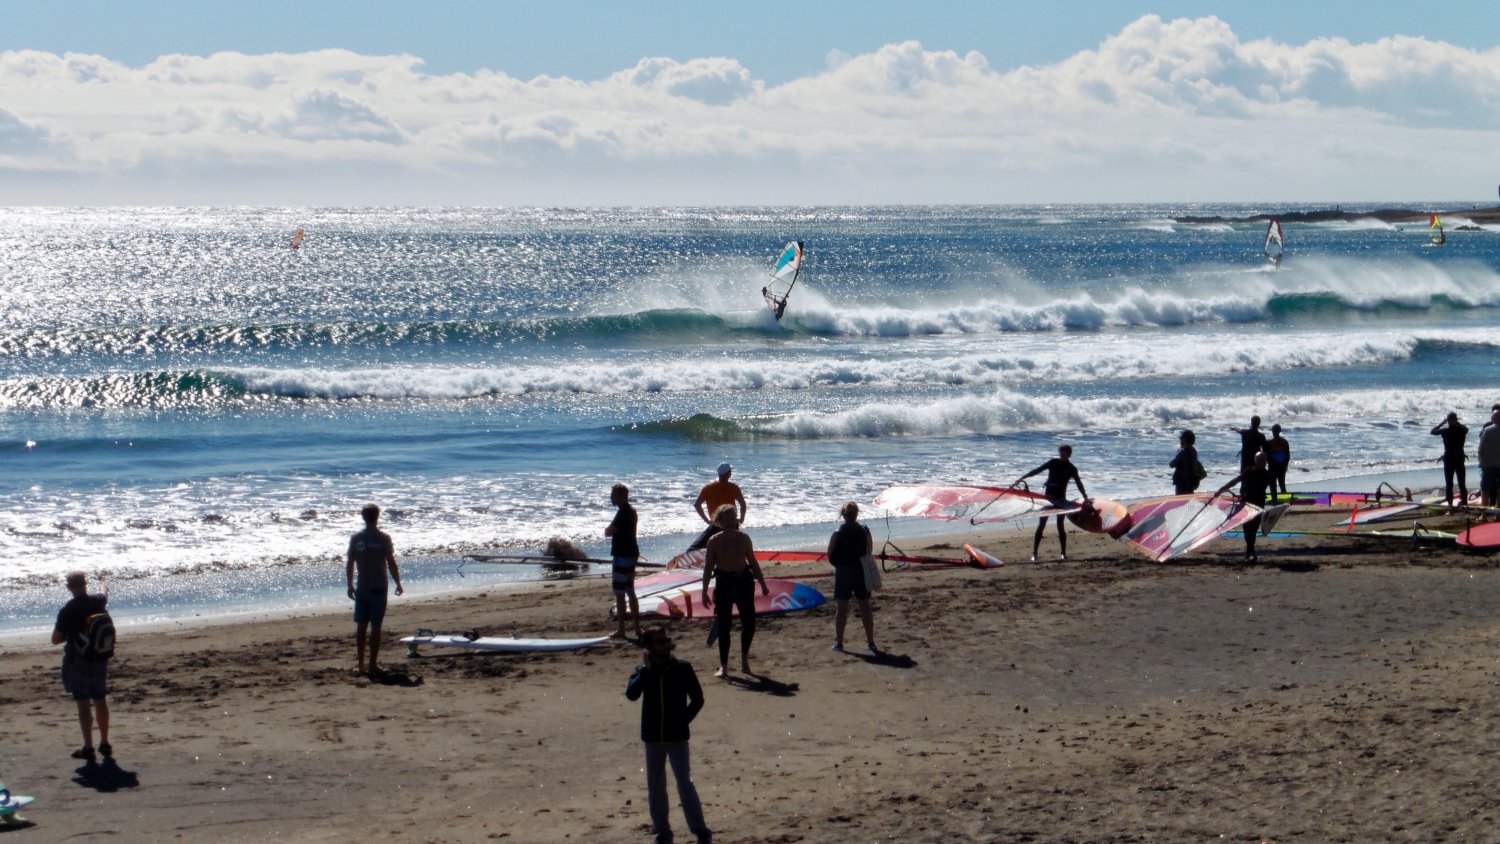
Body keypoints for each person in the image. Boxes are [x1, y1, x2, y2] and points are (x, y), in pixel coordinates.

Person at [625, 627, 711, 844]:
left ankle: (700, 830)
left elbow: (698, 699)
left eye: (666, 640)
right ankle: (662, 832)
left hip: (677, 739)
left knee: (684, 783)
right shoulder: (642, 672)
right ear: (649, 648)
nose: (665, 644)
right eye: (660, 642)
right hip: (652, 739)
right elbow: (632, 694)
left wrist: (683, 721)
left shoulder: (682, 667)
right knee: (655, 786)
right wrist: (646, 670)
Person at [700, 505, 768, 678]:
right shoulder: (713, 541)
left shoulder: (744, 538)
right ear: (719, 521)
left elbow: (753, 562)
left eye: (732, 518)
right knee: (724, 626)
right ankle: (724, 666)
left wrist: (763, 583)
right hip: (723, 582)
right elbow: (708, 568)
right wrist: (704, 591)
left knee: (749, 624)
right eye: (726, 519)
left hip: (743, 581)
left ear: (737, 519)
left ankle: (744, 660)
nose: (730, 522)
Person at [51, 571, 111, 761]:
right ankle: (105, 741)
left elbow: (55, 639)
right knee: (100, 699)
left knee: (83, 702)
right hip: (100, 656)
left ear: (69, 587)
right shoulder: (98, 601)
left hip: (78, 659)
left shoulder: (68, 609)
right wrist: (103, 584)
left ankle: (88, 746)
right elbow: (104, 593)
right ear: (86, 584)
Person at [346, 503, 403, 676]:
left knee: (361, 627)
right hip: (379, 586)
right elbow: (391, 562)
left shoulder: (356, 538)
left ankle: (362, 664)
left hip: (363, 586)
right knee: (376, 628)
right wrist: (398, 583)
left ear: (363, 517)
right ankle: (372, 664)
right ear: (378, 516)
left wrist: (350, 584)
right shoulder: (384, 538)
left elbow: (350, 563)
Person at [1016, 445, 1087, 562]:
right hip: (1047, 498)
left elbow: (1079, 483)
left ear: (1069, 454)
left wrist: (1085, 497)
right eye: (1060, 453)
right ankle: (1035, 553)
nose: (1061, 456)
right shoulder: (1053, 462)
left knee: (1060, 526)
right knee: (1041, 525)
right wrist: (1023, 477)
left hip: (1061, 499)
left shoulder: (1071, 468)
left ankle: (1063, 553)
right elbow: (1037, 470)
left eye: (1064, 454)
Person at [827, 501, 877, 654]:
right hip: (860, 569)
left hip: (843, 571)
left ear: (843, 515)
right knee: (865, 607)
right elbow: (869, 550)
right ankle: (871, 642)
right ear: (857, 514)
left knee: (842, 608)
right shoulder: (864, 530)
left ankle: (839, 643)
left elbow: (830, 554)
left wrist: (839, 565)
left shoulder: (837, 533)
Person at [1217, 452, 1272, 563]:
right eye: (1259, 460)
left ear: (1266, 461)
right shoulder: (1249, 471)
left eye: (1263, 460)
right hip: (1246, 502)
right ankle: (1249, 552)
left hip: (1259, 503)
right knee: (1247, 528)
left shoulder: (1267, 474)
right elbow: (1235, 481)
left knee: (1254, 528)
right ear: (1255, 460)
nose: (1261, 462)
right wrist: (1221, 489)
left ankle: (1250, 551)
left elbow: (1273, 488)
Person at [605, 483, 642, 640]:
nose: (611, 498)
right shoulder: (631, 511)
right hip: (631, 554)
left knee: (620, 593)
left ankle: (621, 629)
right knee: (630, 591)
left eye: (613, 495)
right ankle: (637, 628)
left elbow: (609, 531)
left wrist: (609, 530)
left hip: (622, 555)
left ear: (620, 496)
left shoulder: (623, 513)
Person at [686, 463, 746, 552]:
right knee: (737, 547)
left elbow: (697, 505)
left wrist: (707, 520)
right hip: (731, 523)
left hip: (716, 523)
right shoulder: (733, 487)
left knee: (694, 548)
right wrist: (741, 519)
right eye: (730, 472)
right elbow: (743, 504)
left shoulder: (708, 488)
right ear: (728, 474)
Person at [1431, 412, 1470, 509]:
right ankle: (1464, 503)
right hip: (1459, 457)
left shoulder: (1445, 431)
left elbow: (1433, 431)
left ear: (1448, 421)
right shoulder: (1462, 430)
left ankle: (1450, 506)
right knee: (1461, 482)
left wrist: (1442, 422)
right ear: (1456, 420)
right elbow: (1466, 428)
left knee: (1449, 483)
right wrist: (1457, 422)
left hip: (1449, 458)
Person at [1168, 429, 1202, 495]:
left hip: (1182, 482)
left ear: (1184, 440)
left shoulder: (1183, 451)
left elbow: (1171, 464)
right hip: (1191, 481)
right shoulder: (1194, 451)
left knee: (1180, 501)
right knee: (1188, 501)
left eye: (1181, 438)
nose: (1180, 440)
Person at [1479, 409, 1500, 508]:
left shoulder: (1487, 430)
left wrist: (1480, 461)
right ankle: (1498, 513)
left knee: (1485, 489)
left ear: (1494, 419)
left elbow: (1481, 448)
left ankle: (1484, 514)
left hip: (1489, 464)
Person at [1265, 424, 1291, 498]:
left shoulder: (1269, 443)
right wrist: (1285, 465)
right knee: (1281, 484)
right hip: (1281, 466)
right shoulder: (1284, 442)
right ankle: (1284, 499)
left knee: (1273, 484)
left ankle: (1275, 500)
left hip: (1273, 466)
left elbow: (1267, 455)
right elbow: (1287, 456)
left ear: (1272, 431)